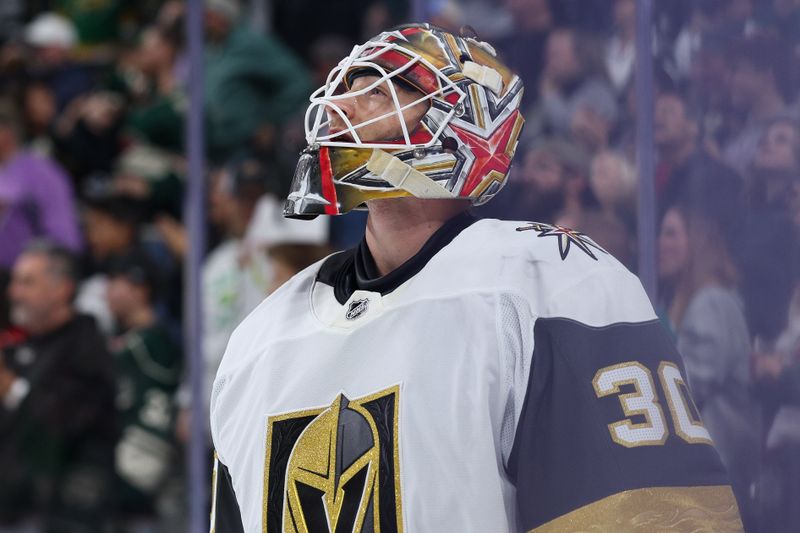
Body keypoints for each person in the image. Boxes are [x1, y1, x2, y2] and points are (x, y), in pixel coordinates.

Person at [209, 24, 743, 531]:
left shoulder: (550, 282)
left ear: (461, 124)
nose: (341, 105)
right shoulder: (259, 341)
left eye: (380, 90)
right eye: (347, 88)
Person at [0, 241, 116, 532]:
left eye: (27, 282)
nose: (14, 293)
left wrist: (11, 390)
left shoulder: (86, 346)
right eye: (15, 282)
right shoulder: (23, 347)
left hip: (64, 515)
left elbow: (68, 425)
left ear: (61, 289)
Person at [657, 205, 761, 530]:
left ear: (698, 242)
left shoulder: (712, 302)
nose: (662, 243)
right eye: (661, 233)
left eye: (672, 233)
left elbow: (687, 387)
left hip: (715, 469)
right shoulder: (691, 300)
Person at [105, 251, 182, 530]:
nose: (108, 291)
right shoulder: (137, 340)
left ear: (141, 288)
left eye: (117, 282)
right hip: (132, 456)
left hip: (143, 454)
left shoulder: (151, 341)